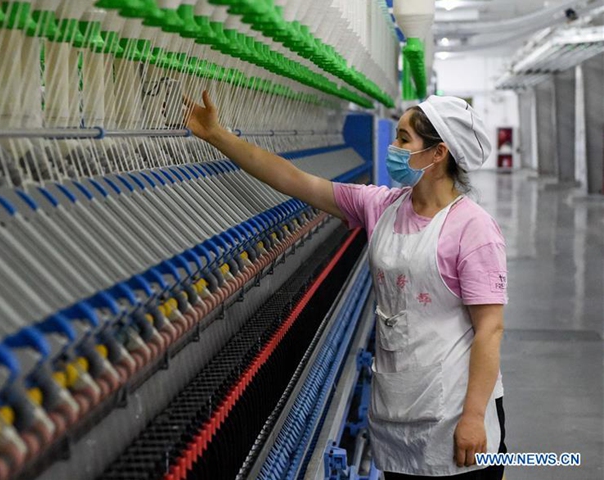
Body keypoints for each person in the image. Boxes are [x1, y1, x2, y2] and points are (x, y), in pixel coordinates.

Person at [184, 92, 507, 479]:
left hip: (456, 412)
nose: (393, 146)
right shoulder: (381, 206)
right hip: (398, 409)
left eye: (404, 139)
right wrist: (216, 135)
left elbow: (490, 328)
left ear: (438, 153)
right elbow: (296, 181)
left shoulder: (473, 228)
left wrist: (473, 416)